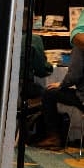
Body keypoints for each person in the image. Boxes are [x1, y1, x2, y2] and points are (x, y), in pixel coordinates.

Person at [32, 20, 84, 150]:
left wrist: (61, 84)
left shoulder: (79, 43)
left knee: (48, 93)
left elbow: (74, 75)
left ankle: (53, 137)